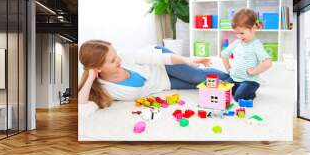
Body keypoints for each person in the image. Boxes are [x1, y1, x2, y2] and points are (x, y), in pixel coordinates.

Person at [79, 40, 229, 113]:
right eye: (112, 60)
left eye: (116, 54)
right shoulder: (105, 89)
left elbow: (160, 59)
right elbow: (81, 107)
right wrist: (90, 77)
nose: (119, 59)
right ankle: (229, 83)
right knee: (201, 86)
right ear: (97, 68)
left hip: (162, 62)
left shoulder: (127, 56)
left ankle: (233, 78)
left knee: (197, 77)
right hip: (165, 83)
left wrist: (186, 60)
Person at [221, 8, 272, 102]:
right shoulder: (237, 42)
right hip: (234, 78)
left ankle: (249, 92)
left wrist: (254, 72)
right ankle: (238, 90)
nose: (239, 36)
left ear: (253, 28)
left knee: (238, 97)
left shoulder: (256, 44)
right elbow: (224, 54)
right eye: (236, 33)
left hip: (249, 81)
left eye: (242, 33)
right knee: (221, 92)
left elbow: (268, 62)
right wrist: (228, 69)